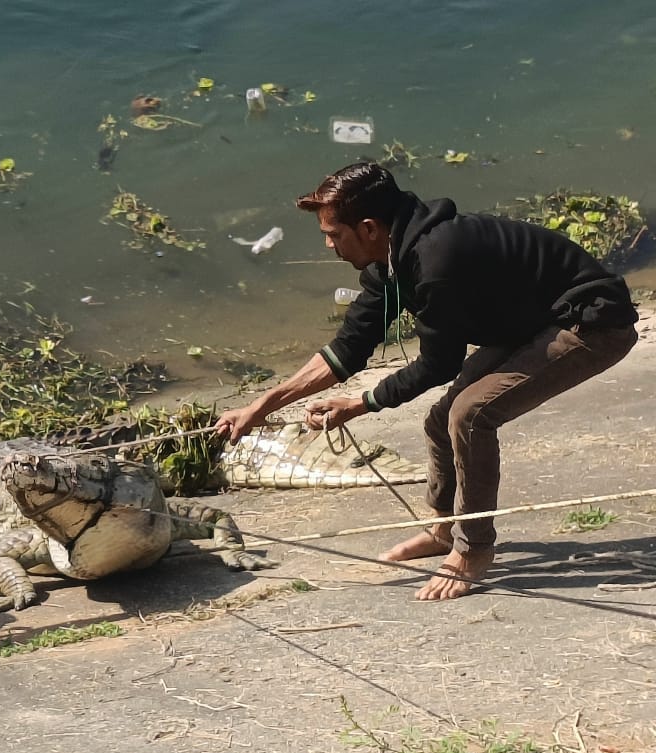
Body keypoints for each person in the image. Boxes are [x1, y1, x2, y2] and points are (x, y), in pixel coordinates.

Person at [215, 162, 638, 601]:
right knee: (441, 420)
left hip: (591, 323)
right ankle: (442, 529)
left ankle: (473, 550)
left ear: (369, 228)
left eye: (334, 234)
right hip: (533, 323)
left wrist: (361, 404)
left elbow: (438, 364)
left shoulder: (437, 260)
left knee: (470, 414)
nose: (328, 245)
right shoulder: (391, 262)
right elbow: (346, 350)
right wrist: (260, 406)